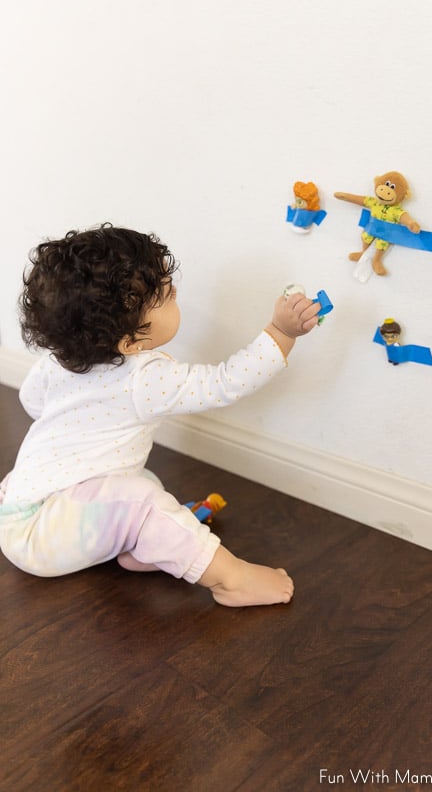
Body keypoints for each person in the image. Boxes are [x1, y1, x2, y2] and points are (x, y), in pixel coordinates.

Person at [0, 224, 320, 607]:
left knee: (140, 482)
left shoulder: (58, 360)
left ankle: (152, 543)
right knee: (143, 500)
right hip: (41, 537)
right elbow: (225, 383)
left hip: (22, 507)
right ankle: (231, 579)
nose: (176, 294)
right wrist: (280, 332)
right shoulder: (143, 378)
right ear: (131, 342)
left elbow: (34, 403)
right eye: (167, 295)